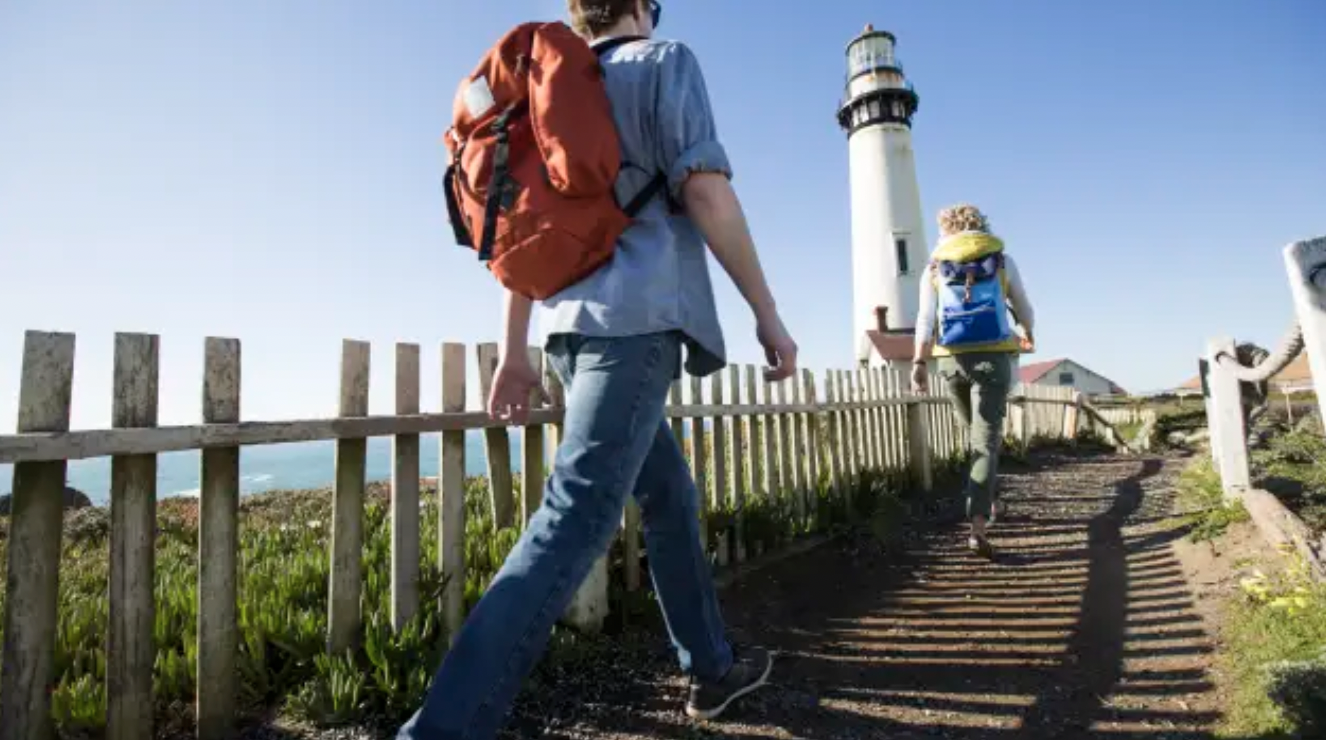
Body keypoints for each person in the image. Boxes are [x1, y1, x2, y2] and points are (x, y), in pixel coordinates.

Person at [398, 1, 797, 737]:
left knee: (669, 496)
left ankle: (710, 670)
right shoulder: (662, 62)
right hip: (636, 326)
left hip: (568, 334)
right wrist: (766, 312)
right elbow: (706, 191)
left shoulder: (543, 87)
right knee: (575, 516)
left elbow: (522, 235)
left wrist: (516, 352)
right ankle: (439, 730)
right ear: (643, 8)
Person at [910, 204, 1035, 559]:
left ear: (946, 231)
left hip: (951, 361)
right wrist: (1028, 331)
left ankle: (988, 501)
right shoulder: (1001, 261)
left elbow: (924, 320)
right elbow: (1023, 306)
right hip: (994, 358)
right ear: (980, 226)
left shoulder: (934, 268)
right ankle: (978, 524)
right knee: (985, 441)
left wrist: (919, 362)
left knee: (976, 440)